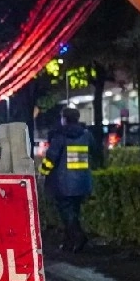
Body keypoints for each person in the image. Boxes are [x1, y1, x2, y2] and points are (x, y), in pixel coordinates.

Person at [40, 108, 93, 252]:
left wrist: (43, 172)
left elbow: (51, 158)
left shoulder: (60, 136)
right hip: (82, 182)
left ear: (64, 119)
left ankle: (78, 237)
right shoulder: (86, 135)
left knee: (66, 214)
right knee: (74, 212)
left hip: (63, 183)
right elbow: (94, 153)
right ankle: (69, 242)